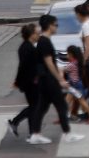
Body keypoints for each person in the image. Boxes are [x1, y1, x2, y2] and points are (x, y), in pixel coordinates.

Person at [28, 14, 84, 145]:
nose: (57, 27)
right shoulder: (45, 42)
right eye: (56, 25)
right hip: (49, 80)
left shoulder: (42, 41)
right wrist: (60, 79)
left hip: (44, 80)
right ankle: (67, 133)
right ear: (49, 26)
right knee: (62, 106)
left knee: (42, 107)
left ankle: (35, 134)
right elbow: (49, 63)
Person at [8, 23, 39, 138]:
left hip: (31, 81)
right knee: (34, 106)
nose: (38, 35)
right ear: (31, 35)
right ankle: (15, 121)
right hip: (29, 82)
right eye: (37, 33)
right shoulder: (26, 48)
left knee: (33, 106)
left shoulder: (28, 46)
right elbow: (23, 66)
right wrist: (17, 81)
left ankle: (32, 132)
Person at [63, 46, 89, 123]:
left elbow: (64, 69)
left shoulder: (72, 65)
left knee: (82, 102)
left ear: (71, 55)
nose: (66, 56)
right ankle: (64, 116)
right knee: (66, 101)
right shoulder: (77, 62)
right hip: (74, 86)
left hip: (76, 86)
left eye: (67, 54)